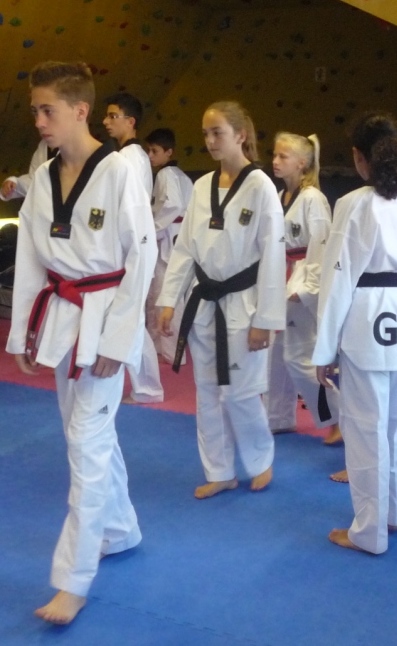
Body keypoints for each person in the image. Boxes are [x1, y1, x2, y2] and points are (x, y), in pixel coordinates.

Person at [7, 61, 152, 626]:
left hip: (104, 317)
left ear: (80, 110)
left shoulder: (119, 171)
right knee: (85, 433)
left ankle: (73, 580)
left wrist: (120, 338)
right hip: (62, 316)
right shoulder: (43, 177)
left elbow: (142, 256)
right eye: (35, 111)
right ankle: (120, 528)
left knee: (86, 444)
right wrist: (23, 332)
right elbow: (29, 257)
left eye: (48, 110)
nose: (39, 121)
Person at [312, 113, 397, 554]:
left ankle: (369, 532)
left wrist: (324, 347)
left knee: (365, 429)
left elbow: (337, 279)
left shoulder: (354, 203)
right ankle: (395, 512)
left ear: (360, 158)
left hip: (368, 321)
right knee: (394, 425)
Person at [156, 101, 285, 499]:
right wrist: (169, 299)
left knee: (241, 393)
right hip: (205, 303)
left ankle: (260, 460)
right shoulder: (201, 187)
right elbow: (185, 249)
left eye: (218, 133)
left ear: (240, 135)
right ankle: (220, 470)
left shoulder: (261, 186)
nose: (210, 141)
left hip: (244, 304)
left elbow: (273, 256)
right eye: (206, 134)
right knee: (208, 393)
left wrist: (266, 319)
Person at [265, 131, 338, 443]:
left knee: (300, 357)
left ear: (302, 163)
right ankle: (278, 417)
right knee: (276, 354)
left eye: (283, 156)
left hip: (301, 280)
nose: (275, 161)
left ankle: (337, 418)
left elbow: (322, 247)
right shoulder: (280, 195)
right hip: (279, 277)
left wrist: (307, 289)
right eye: (275, 155)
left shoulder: (312, 199)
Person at [102, 92, 163, 404]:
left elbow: (129, 209)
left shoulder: (129, 158)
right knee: (130, 317)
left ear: (131, 121)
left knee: (133, 318)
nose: (106, 121)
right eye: (107, 116)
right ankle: (145, 385)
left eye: (113, 116)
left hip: (133, 245)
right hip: (133, 243)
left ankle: (148, 387)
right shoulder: (130, 156)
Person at [145, 127, 193, 363]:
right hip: (179, 237)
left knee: (164, 295)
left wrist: (152, 229)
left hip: (167, 237)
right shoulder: (182, 176)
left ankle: (171, 351)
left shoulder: (165, 175)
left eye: (155, 151)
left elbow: (173, 205)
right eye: (149, 151)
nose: (150, 156)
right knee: (170, 295)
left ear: (169, 152)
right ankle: (162, 347)